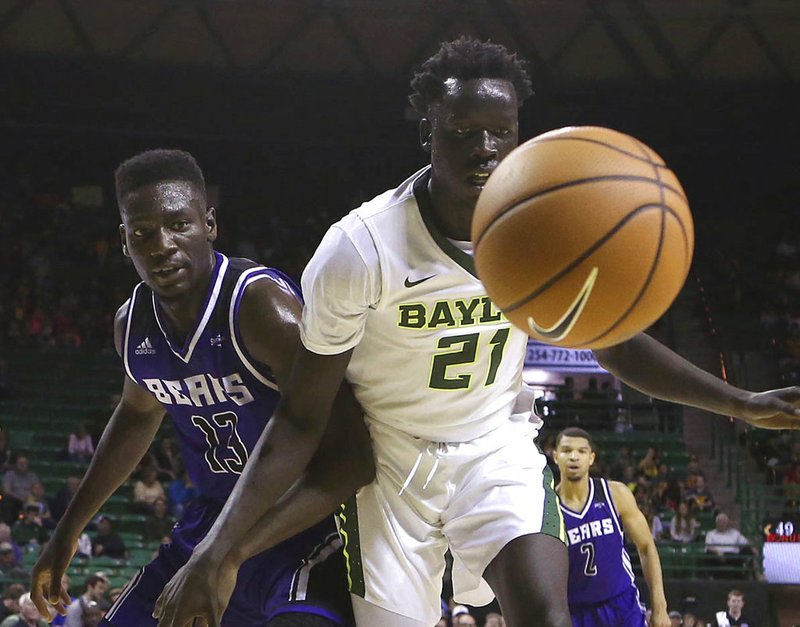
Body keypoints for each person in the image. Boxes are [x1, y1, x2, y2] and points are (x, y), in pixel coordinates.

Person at [154, 37, 800, 627]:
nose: (485, 147)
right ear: (427, 133)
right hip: (390, 464)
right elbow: (300, 417)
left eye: (501, 131)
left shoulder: (549, 233)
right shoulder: (361, 248)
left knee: (547, 615)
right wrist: (217, 551)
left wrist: (739, 401)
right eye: (463, 131)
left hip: (496, 448)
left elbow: (613, 340)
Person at [31, 149, 372, 627]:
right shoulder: (132, 325)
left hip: (305, 525)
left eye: (178, 225)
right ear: (124, 242)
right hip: (209, 525)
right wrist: (67, 530)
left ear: (209, 223)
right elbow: (136, 413)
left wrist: (223, 556)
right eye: (142, 234)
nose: (161, 245)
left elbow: (352, 460)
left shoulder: (261, 308)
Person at [554, 428, 669, 627]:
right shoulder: (548, 509)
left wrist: (660, 608)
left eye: (581, 451)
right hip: (575, 613)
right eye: (566, 450)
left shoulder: (615, 494)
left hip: (621, 605)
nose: (574, 457)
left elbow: (646, 548)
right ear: (555, 456)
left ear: (591, 458)